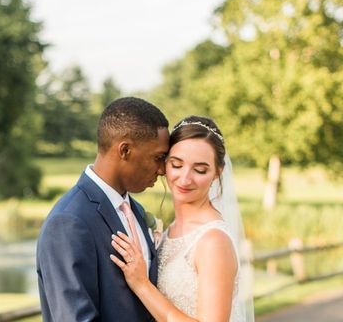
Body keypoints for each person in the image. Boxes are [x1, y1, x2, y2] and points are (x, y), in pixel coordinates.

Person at [36, 96, 170, 321]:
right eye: (157, 158)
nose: (162, 170)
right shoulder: (69, 221)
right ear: (125, 150)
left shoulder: (135, 210)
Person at [110, 115, 254, 322]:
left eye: (200, 170)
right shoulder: (171, 230)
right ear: (164, 164)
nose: (185, 179)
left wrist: (141, 284)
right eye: (177, 165)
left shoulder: (213, 241)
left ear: (217, 172)